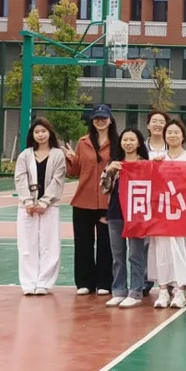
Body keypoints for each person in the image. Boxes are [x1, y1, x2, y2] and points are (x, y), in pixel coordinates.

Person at [148, 119, 186, 309]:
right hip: (162, 212)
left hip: (183, 212)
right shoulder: (157, 159)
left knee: (183, 249)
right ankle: (163, 290)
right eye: (169, 132)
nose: (172, 135)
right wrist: (152, 167)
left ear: (183, 136)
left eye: (176, 132)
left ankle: (180, 290)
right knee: (161, 250)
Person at [64, 103, 117, 296]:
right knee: (83, 243)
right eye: (97, 118)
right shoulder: (83, 142)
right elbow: (74, 172)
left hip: (108, 201)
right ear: (92, 121)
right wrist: (72, 159)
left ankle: (104, 282)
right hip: (83, 200)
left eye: (104, 118)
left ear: (110, 120)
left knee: (106, 243)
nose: (100, 121)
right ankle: (84, 282)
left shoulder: (117, 142)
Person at [15, 117, 66, 296]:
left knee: (49, 245)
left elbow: (58, 180)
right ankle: (28, 283)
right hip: (27, 208)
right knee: (26, 245)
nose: (40, 135)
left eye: (44, 131)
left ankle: (44, 282)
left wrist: (44, 202)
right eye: (37, 132)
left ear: (50, 133)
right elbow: (20, 178)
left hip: (49, 207)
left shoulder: (58, 155)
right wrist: (28, 202)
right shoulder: (25, 155)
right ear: (32, 135)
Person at [101, 127, 150, 308]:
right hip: (116, 214)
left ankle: (135, 292)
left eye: (132, 140)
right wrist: (109, 171)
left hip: (136, 216)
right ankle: (119, 291)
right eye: (125, 140)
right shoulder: (114, 164)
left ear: (138, 143)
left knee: (136, 255)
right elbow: (104, 188)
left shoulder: (145, 164)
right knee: (118, 256)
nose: (128, 143)